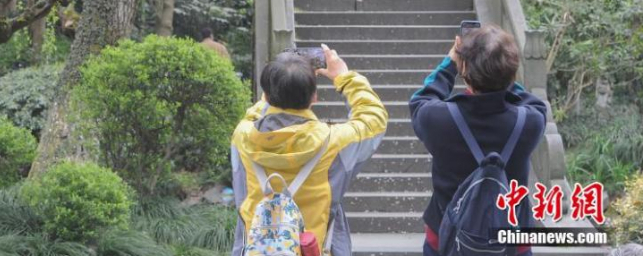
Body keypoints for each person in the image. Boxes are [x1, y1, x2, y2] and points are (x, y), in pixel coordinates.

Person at [231, 45, 388, 256]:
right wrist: (344, 77)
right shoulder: (333, 142)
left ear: (266, 96)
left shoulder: (243, 137)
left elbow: (253, 116)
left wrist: (279, 84)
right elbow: (374, 120)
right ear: (314, 97)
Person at [409, 25, 548, 256]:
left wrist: (451, 63)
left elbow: (420, 99)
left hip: (447, 239)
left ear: (464, 68)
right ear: (512, 71)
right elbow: (531, 101)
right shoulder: (529, 122)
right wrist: (500, 70)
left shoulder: (439, 120)